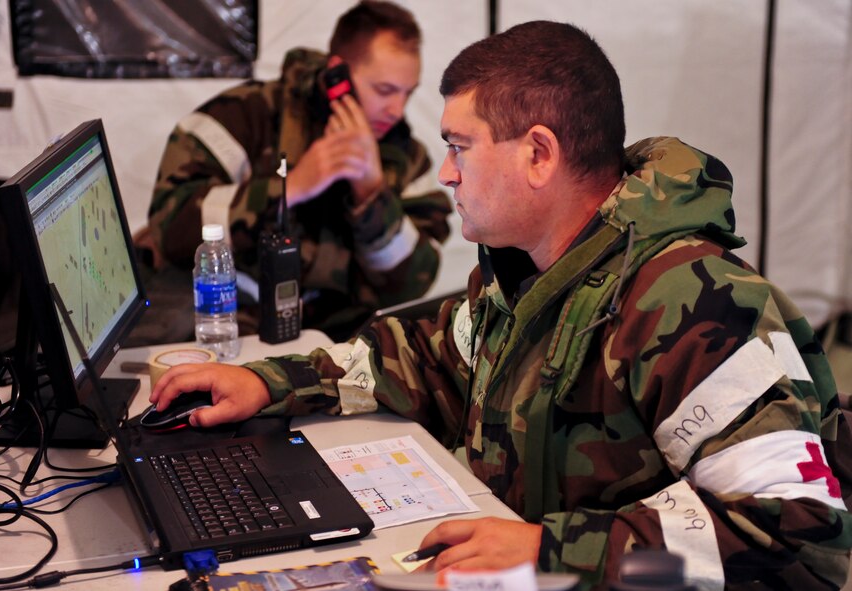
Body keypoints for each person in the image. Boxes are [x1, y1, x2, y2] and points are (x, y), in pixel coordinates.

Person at [150, 21, 852, 589]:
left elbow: (796, 525)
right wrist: (270, 383)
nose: (445, 172)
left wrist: (549, 551)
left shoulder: (690, 298)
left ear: (538, 154)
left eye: (460, 147)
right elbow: (428, 357)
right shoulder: (527, 271)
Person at [144, 1, 452, 341]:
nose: (397, 109)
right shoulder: (244, 117)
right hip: (237, 322)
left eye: (407, 93)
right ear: (338, 74)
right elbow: (171, 231)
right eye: (384, 90)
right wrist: (293, 187)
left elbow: (414, 285)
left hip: (340, 338)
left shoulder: (406, 156)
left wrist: (372, 194)